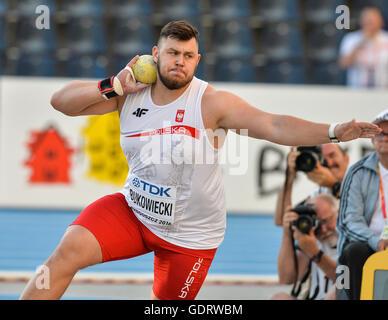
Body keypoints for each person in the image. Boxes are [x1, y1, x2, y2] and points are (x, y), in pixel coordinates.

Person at [19, 20, 380, 300]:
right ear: (155, 54)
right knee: (65, 253)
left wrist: (334, 130)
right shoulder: (129, 92)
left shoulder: (210, 103)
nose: (180, 62)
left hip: (190, 237)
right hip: (134, 211)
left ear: (197, 60)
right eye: (173, 53)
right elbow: (60, 102)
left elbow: (273, 125)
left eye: (189, 56)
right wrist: (113, 83)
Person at [337, 109, 388, 300]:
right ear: (373, 139)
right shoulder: (358, 172)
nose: (384, 138)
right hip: (368, 243)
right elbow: (348, 221)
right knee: (354, 251)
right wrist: (376, 241)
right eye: (379, 133)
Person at [271, 193, 339, 300]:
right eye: (317, 223)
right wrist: (287, 234)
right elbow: (286, 278)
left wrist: (315, 253)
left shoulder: (350, 240)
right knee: (278, 297)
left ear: (338, 213)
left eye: (326, 221)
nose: (324, 229)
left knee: (337, 290)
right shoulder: (310, 240)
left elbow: (346, 281)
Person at [274, 143, 349, 227]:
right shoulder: (319, 194)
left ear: (346, 159)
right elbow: (282, 220)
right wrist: (289, 176)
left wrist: (333, 184)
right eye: (322, 158)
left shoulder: (362, 182)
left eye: (332, 155)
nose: (328, 162)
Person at [339, 7, 388, 88]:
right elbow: (344, 64)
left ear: (381, 21)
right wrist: (361, 43)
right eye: (367, 20)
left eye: (372, 20)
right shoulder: (351, 39)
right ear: (361, 21)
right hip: (357, 91)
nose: (370, 23)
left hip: (383, 91)